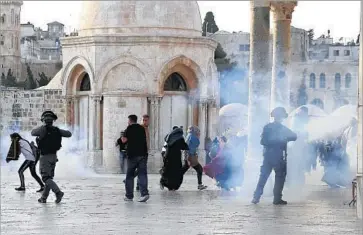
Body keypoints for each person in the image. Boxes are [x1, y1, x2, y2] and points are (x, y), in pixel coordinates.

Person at [252, 107, 297, 205]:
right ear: (281, 117)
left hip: (268, 156)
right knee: (280, 177)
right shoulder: (282, 128)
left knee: (263, 177)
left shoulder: (267, 127)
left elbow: (262, 141)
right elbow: (294, 136)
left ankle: (256, 197)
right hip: (279, 156)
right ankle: (277, 198)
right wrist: (282, 139)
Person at [31, 110, 72, 203]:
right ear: (52, 121)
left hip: (45, 157)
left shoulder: (42, 129)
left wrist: (43, 127)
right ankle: (43, 198)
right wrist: (57, 130)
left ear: (44, 120)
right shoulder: (57, 130)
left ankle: (58, 192)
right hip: (54, 157)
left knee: (45, 178)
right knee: (49, 178)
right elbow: (69, 134)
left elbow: (32, 132)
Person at [122, 114, 149, 202]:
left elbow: (124, 140)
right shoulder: (142, 128)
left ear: (130, 120)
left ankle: (129, 196)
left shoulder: (129, 128)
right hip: (143, 154)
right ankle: (144, 194)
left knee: (129, 175)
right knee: (142, 174)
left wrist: (123, 136)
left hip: (132, 155)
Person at [160, 126, 189, 191]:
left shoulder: (169, 136)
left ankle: (166, 184)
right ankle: (174, 186)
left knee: (169, 170)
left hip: (168, 156)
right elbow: (184, 146)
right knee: (176, 171)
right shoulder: (180, 138)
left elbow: (166, 143)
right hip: (176, 157)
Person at [181, 126, 207, 190]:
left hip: (190, 156)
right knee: (199, 169)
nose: (199, 133)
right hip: (190, 156)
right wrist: (187, 158)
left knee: (183, 170)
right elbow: (188, 148)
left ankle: (172, 180)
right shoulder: (192, 137)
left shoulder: (190, 136)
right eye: (198, 131)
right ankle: (200, 185)